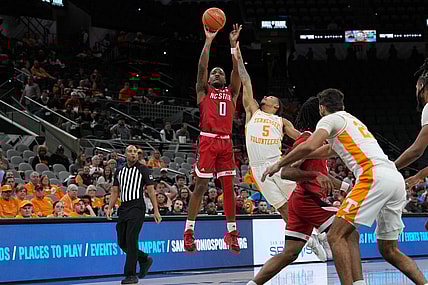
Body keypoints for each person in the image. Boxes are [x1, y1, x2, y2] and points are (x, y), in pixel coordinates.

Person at [262, 88, 428, 285]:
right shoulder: (352, 121)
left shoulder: (328, 120)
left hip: (373, 177)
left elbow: (309, 145)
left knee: (336, 235)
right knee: (388, 249)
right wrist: (306, 156)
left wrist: (279, 163)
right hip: (395, 179)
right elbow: (329, 151)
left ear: (322, 108)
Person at [248, 97, 357, 285]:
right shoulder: (306, 138)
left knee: (289, 253)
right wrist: (315, 176)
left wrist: (347, 187)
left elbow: (324, 172)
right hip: (307, 200)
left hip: (301, 202)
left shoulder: (314, 139)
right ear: (321, 114)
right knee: (349, 232)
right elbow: (287, 172)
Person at [184, 23, 242, 254]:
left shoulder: (232, 93)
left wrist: (233, 46)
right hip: (208, 140)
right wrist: (208, 41)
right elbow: (201, 67)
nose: (217, 72)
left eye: (221, 71)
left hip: (226, 142)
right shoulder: (203, 91)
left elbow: (237, 71)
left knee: (229, 187)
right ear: (208, 79)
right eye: (213, 72)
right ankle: (189, 232)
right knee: (200, 186)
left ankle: (232, 233)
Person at [234, 41, 299, 223]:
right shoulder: (253, 110)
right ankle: (311, 240)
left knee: (298, 202)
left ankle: (320, 232)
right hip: (257, 167)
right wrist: (237, 53)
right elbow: (246, 81)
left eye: (270, 97)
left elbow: (299, 137)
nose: (265, 96)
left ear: (276, 106)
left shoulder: (281, 121)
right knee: (282, 208)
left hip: (277, 164)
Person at [106, 145, 161, 285]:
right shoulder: (119, 170)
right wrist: (110, 207)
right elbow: (114, 191)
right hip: (124, 207)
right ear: (125, 154)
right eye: (130, 152)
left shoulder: (143, 169)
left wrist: (156, 210)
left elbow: (150, 191)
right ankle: (143, 259)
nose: (133, 154)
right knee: (122, 241)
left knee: (131, 240)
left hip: (137, 207)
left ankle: (131, 274)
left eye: (135, 152)